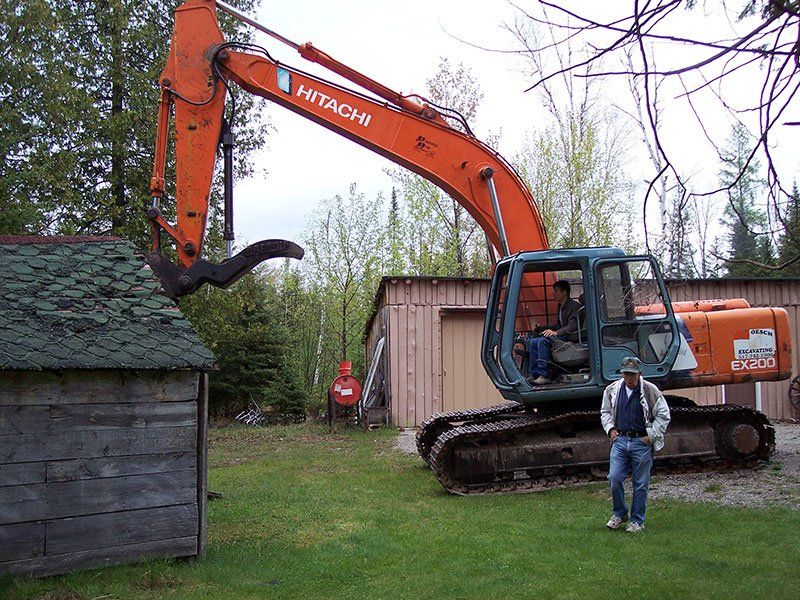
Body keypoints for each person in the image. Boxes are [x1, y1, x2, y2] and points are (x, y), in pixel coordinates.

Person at [600, 356, 671, 533]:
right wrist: (610, 429)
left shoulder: (649, 390)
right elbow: (605, 412)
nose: (629, 378)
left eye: (632, 375)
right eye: (626, 374)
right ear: (622, 374)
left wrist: (651, 435)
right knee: (614, 478)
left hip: (641, 441)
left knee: (640, 483)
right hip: (620, 440)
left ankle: (637, 520)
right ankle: (620, 513)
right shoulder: (612, 390)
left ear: (640, 373)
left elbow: (663, 414)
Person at [527, 280, 582, 385]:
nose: (554, 294)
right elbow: (559, 325)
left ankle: (545, 375)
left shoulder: (573, 307)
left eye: (556, 291)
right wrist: (543, 329)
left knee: (542, 341)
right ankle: (535, 373)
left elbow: (572, 326)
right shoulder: (560, 306)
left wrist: (556, 333)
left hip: (569, 336)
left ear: (564, 292)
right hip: (562, 334)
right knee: (534, 341)